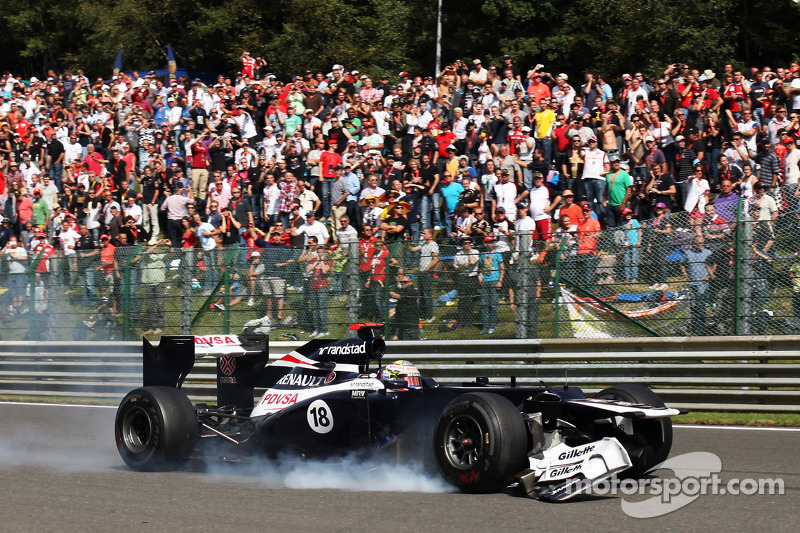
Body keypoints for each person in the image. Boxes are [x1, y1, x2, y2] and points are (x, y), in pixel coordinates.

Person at [680, 236, 716, 336]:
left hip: (703, 283)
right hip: (692, 283)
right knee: (693, 306)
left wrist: (709, 275)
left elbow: (715, 264)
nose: (701, 245)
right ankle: (695, 327)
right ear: (694, 244)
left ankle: (700, 330)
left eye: (703, 243)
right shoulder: (688, 253)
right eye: (699, 243)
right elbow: (682, 263)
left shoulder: (707, 253)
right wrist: (685, 273)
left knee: (701, 306)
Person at [300, 236, 332, 337]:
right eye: (318, 252)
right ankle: (316, 329)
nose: (320, 253)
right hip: (313, 286)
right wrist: (316, 261)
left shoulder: (328, 261)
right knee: (314, 309)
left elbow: (325, 270)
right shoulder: (314, 260)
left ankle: (324, 329)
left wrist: (321, 261)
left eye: (322, 252)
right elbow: (308, 269)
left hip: (322, 287)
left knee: (321, 309)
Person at [408, 227, 439, 322]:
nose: (423, 235)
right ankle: (422, 314)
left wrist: (427, 269)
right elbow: (413, 249)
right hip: (421, 272)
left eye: (425, 233)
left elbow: (435, 259)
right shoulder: (423, 244)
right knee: (421, 294)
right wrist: (407, 244)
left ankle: (430, 315)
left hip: (427, 273)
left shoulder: (434, 245)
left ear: (430, 235)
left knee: (427, 294)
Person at [478, 235, 504, 335]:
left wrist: (500, 280)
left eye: (492, 242)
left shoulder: (497, 254)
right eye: (489, 242)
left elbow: (502, 267)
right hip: (485, 280)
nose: (491, 244)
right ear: (485, 244)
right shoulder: (482, 255)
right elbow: (481, 267)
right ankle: (485, 325)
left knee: (493, 304)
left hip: (494, 280)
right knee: (484, 304)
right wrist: (479, 275)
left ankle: (493, 325)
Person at [453, 236, 479, 324]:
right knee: (462, 300)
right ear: (462, 244)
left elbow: (473, 262)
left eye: (469, 243)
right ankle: (462, 319)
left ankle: (469, 319)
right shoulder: (458, 254)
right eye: (465, 243)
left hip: (472, 278)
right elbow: (456, 268)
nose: (467, 245)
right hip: (462, 278)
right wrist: (463, 265)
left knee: (470, 299)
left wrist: (469, 252)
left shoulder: (475, 252)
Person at [646, 202, 672, 290]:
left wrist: (659, 231)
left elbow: (668, 231)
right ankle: (658, 280)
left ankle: (664, 281)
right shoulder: (655, 220)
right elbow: (653, 233)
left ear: (664, 210)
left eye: (661, 209)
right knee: (655, 262)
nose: (659, 210)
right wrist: (650, 243)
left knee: (662, 262)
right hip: (655, 243)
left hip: (662, 242)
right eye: (657, 208)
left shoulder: (665, 219)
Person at [620, 208, 641, 283]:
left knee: (634, 260)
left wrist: (639, 240)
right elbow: (623, 234)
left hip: (634, 242)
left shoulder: (635, 221)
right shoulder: (623, 223)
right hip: (627, 244)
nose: (628, 216)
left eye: (629, 214)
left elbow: (639, 230)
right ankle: (627, 277)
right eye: (626, 214)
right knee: (627, 261)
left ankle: (634, 277)